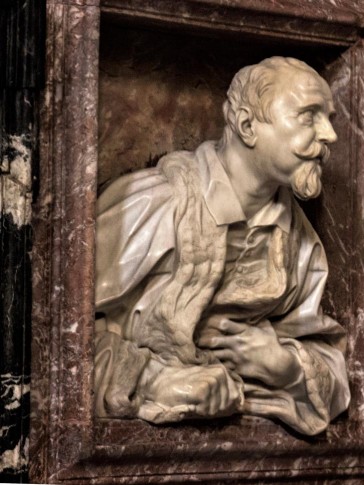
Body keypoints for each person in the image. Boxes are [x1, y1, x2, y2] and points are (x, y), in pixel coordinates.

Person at [93, 57, 350, 436]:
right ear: (247, 125)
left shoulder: (299, 245)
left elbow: (329, 362)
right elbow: (52, 336)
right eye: (309, 115)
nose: (330, 135)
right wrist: (151, 379)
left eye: (328, 117)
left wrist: (286, 368)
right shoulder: (151, 206)